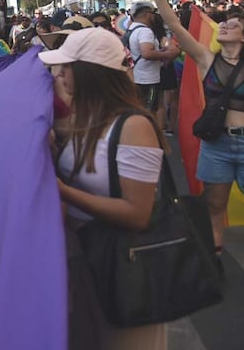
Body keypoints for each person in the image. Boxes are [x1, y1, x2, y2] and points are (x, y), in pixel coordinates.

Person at [151, 0, 244, 302]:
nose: (225, 25)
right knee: (214, 207)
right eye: (225, 23)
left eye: (232, 25)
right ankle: (215, 263)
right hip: (216, 146)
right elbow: (176, 25)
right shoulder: (206, 58)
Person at [41, 28, 167, 348]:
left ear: (89, 74)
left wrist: (62, 190)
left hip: (126, 269)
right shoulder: (85, 118)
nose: (59, 74)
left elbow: (137, 213)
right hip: (88, 259)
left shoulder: (134, 126)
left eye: (66, 67)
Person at [127, 2, 179, 113]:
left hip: (137, 76)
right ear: (148, 14)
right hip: (148, 78)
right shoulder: (145, 31)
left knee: (142, 108)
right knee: (151, 109)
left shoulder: (131, 30)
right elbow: (147, 53)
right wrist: (166, 54)